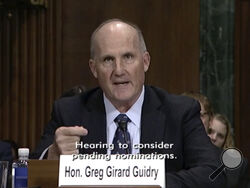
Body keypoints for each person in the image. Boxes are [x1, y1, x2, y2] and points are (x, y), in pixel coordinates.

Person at [31, 18, 225, 187]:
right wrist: (52, 156)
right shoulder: (69, 112)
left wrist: (150, 182)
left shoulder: (179, 112)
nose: (119, 70)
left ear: (146, 61)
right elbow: (29, 175)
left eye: (128, 57)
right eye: (108, 59)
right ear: (94, 68)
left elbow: (213, 173)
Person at [208, 113, 250, 188]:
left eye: (220, 136)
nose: (214, 138)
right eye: (210, 131)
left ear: (225, 141)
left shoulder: (237, 169)